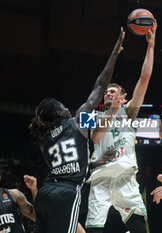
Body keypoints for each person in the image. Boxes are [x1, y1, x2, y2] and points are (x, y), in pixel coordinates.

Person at [28, 27, 126, 233]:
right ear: (60, 112)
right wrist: (115, 53)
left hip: (45, 192)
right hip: (66, 193)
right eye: (62, 105)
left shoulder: (44, 137)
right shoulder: (77, 120)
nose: (66, 107)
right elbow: (100, 87)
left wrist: (95, 162)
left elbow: (67, 163)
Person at [85, 21, 157, 233]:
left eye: (113, 91)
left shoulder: (130, 112)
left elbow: (145, 78)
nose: (108, 92)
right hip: (101, 179)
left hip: (126, 177)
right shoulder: (93, 115)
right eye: (107, 92)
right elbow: (95, 138)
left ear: (123, 98)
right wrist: (111, 111)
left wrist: (151, 45)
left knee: (140, 229)